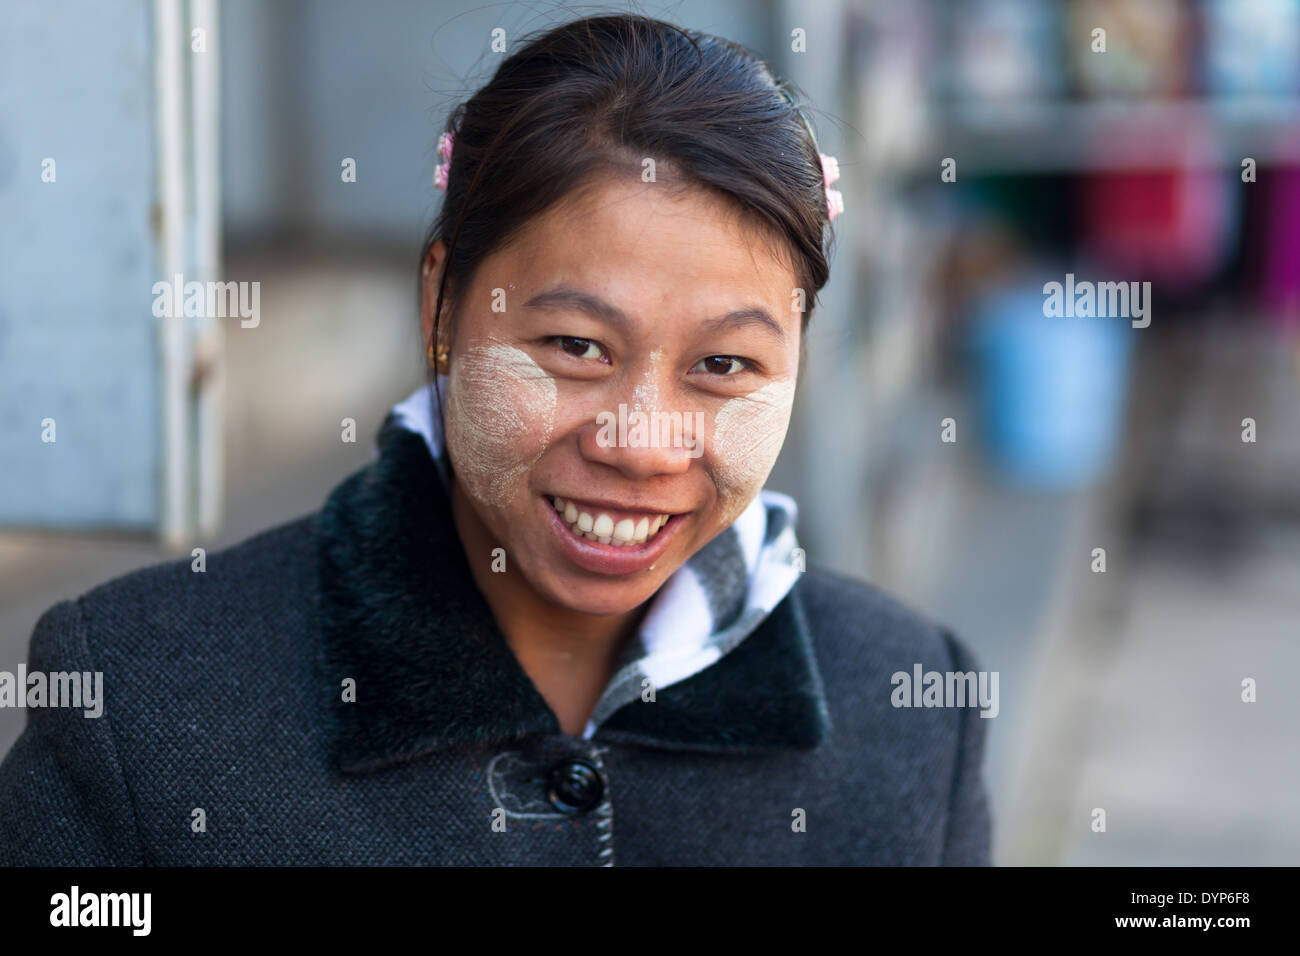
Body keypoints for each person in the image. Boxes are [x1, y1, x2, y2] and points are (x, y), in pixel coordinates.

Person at [0, 13, 991, 865]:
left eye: (724, 366)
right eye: (575, 345)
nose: (642, 443)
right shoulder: (141, 700)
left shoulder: (910, 711)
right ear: (442, 307)